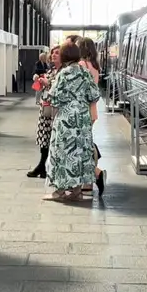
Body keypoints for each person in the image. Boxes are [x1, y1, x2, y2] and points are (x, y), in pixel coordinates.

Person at [43, 42, 100, 202]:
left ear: (65, 55)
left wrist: (46, 90)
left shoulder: (64, 73)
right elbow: (95, 94)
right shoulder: (84, 71)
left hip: (66, 118)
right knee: (79, 153)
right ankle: (76, 191)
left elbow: (54, 97)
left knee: (61, 153)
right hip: (82, 118)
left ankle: (59, 192)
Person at [77, 37, 106, 195]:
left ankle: (95, 174)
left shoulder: (81, 65)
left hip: (83, 110)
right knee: (85, 144)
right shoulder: (95, 66)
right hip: (92, 110)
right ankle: (88, 181)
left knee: (81, 146)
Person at [27, 46, 61, 178]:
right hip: (46, 108)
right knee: (44, 139)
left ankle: (43, 166)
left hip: (54, 110)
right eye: (52, 53)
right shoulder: (52, 69)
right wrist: (40, 80)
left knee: (50, 139)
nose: (53, 55)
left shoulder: (63, 71)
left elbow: (58, 88)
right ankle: (42, 166)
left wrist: (47, 82)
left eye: (57, 53)